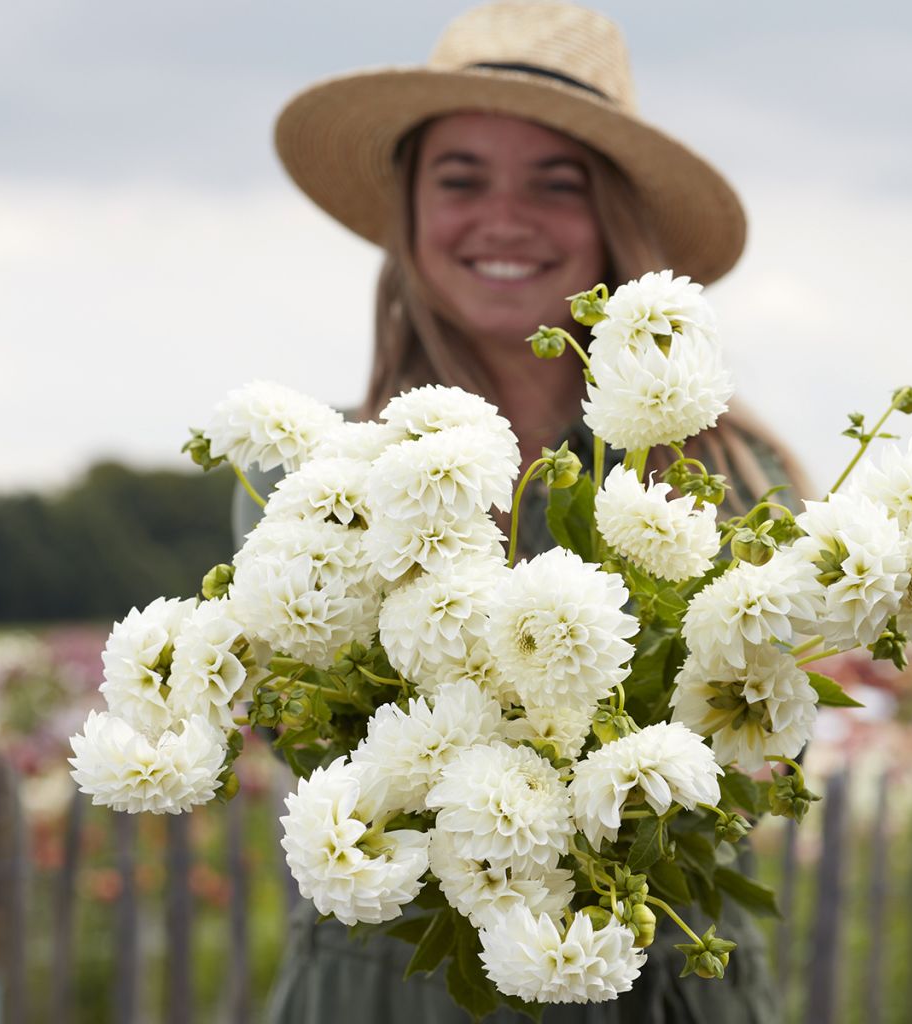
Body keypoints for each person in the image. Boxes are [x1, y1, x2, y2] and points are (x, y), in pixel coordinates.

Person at [257, 2, 808, 1020]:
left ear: (612, 220)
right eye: (460, 179)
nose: (504, 219)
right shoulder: (321, 487)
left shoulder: (733, 473)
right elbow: (302, 753)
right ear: (411, 211)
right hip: (386, 991)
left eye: (557, 184)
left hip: (652, 981)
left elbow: (758, 747)